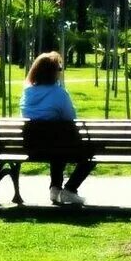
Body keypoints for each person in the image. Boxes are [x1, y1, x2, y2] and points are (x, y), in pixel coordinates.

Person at [20, 51, 92, 206]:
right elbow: (70, 118)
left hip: (32, 147)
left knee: (56, 143)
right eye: (59, 69)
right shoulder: (59, 94)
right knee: (89, 152)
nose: (60, 72)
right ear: (52, 73)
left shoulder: (27, 93)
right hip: (57, 145)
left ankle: (55, 187)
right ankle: (70, 189)